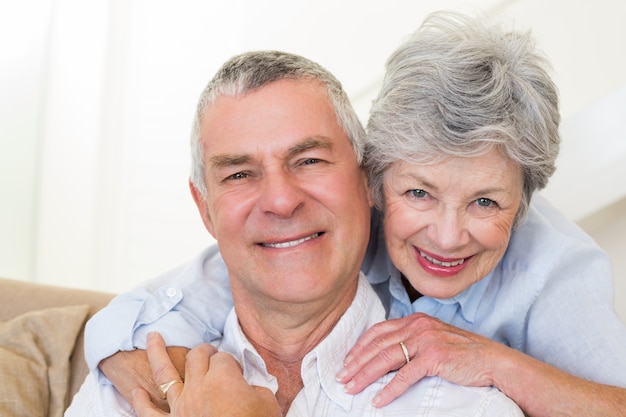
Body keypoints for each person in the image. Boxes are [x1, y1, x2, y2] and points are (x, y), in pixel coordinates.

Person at [81, 11, 626, 417]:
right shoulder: (316, 238)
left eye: (485, 202)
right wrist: (144, 374)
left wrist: (501, 365)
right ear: (377, 181)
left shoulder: (554, 275)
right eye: (419, 194)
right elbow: (137, 314)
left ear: (523, 202)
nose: (447, 234)